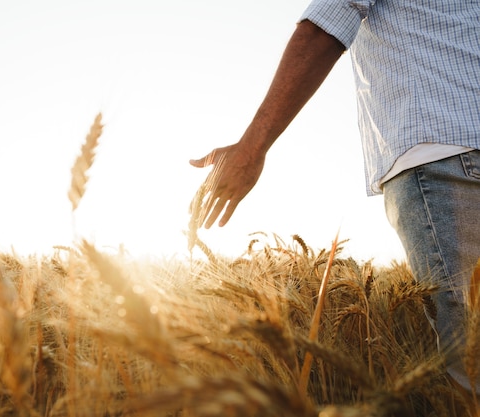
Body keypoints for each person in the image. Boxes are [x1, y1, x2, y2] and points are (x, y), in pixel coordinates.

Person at [190, 0, 480, 396]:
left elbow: (327, 22)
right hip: (460, 149)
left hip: (441, 155)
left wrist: (252, 146)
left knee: (470, 366)